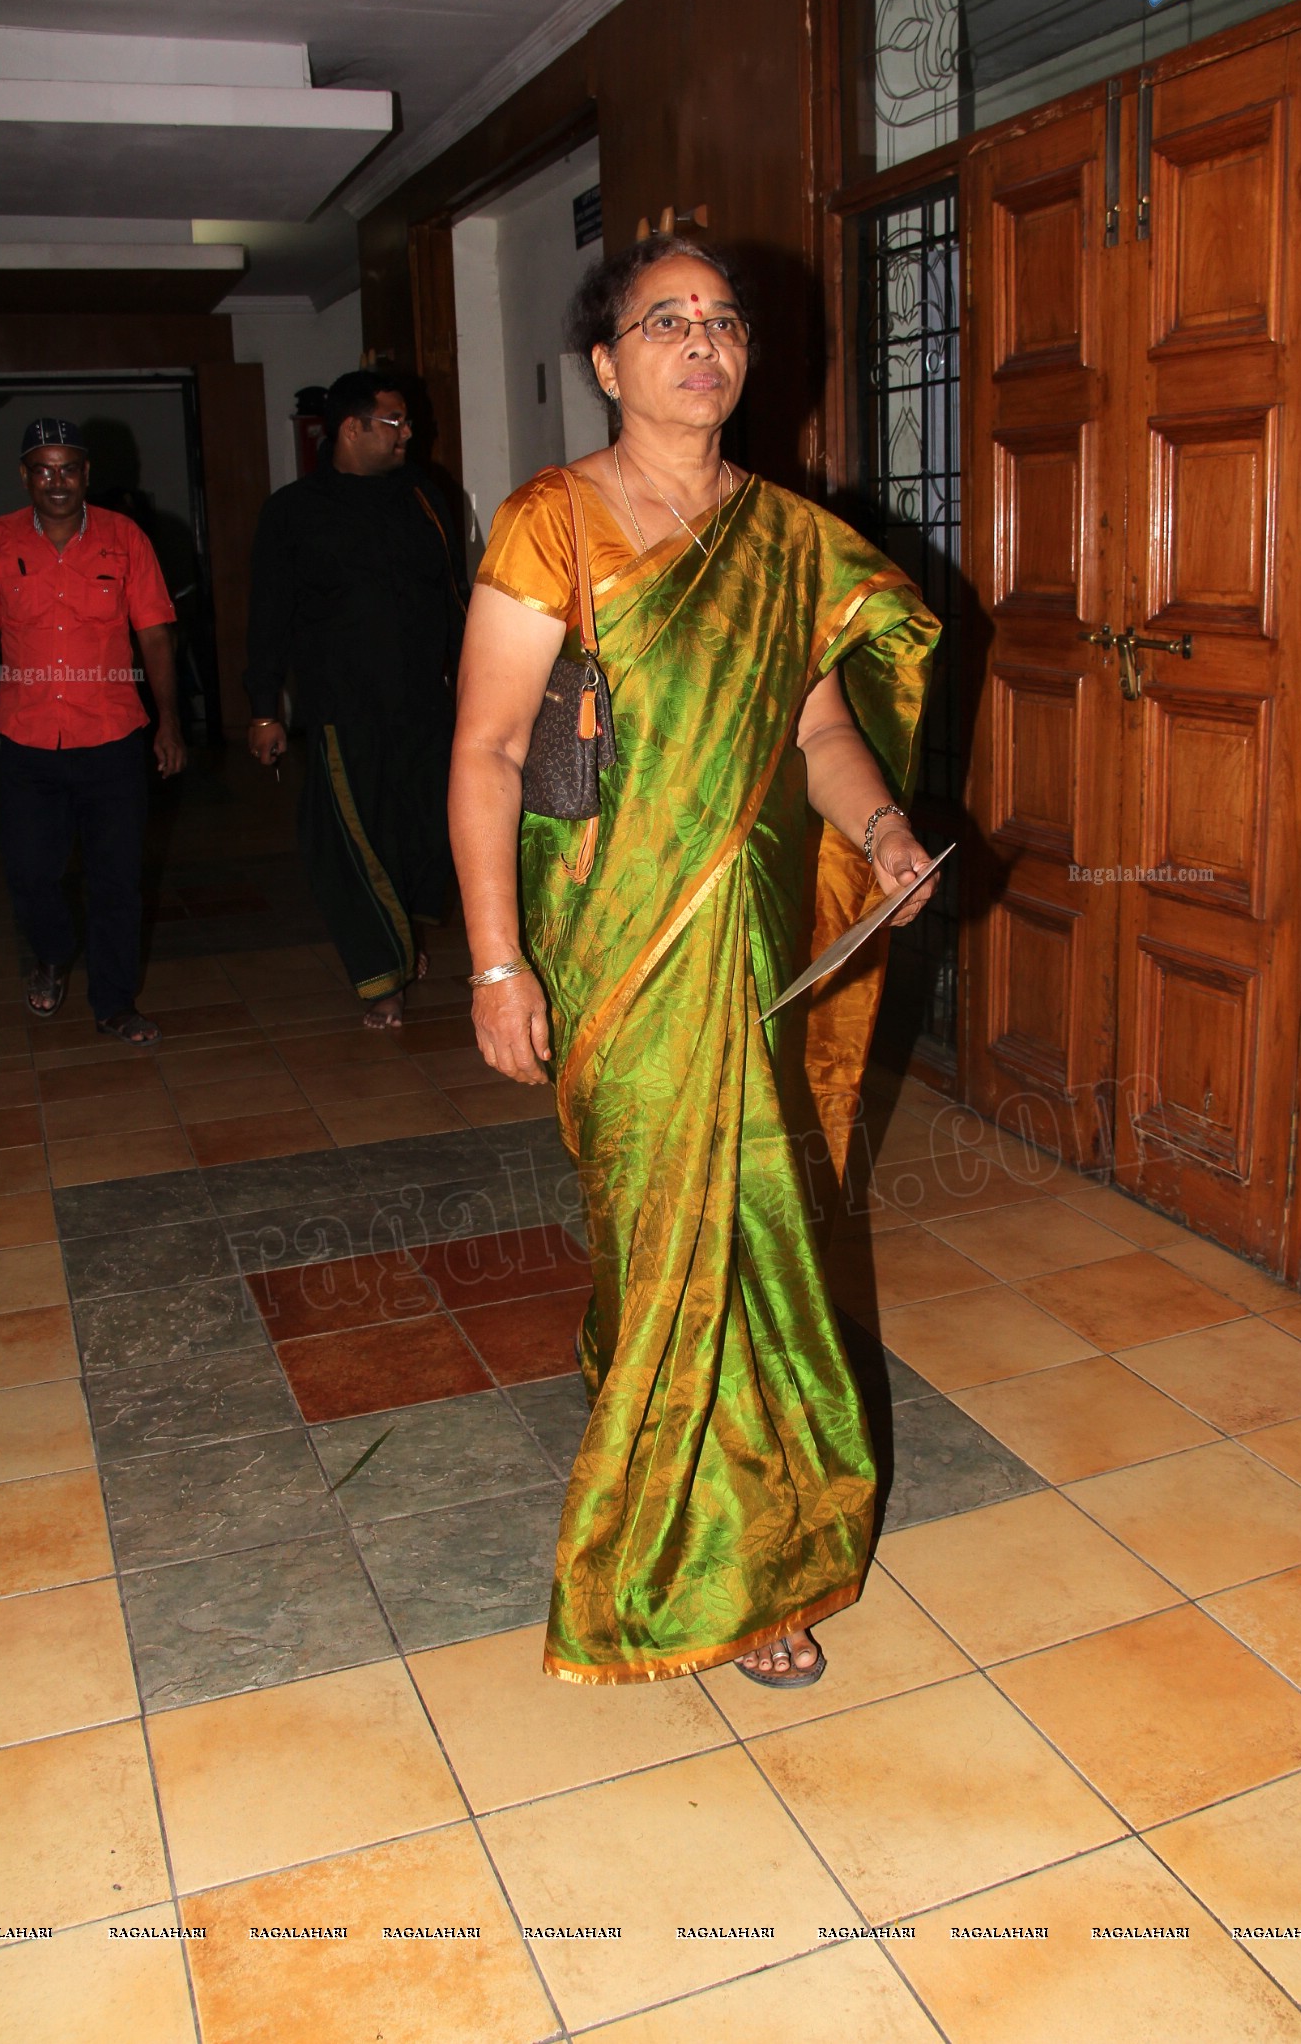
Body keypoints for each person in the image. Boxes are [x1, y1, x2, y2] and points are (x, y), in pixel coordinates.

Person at [448, 237, 940, 1688]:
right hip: (618, 945)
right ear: (606, 362)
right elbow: (483, 749)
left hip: (755, 944)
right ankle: (682, 1497)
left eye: (722, 320)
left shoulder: (790, 541)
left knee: (754, 1235)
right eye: (666, 320)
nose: (702, 340)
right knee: (667, 1226)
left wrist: (889, 829)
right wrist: (494, 965)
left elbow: (820, 731)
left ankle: (747, 1567)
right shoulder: (555, 525)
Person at [244, 371, 466, 1027]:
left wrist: (478, 682)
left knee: (422, 830)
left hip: (426, 704)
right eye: (395, 422)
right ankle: (381, 979)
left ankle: (401, 936)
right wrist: (263, 709)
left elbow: (451, 599)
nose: (409, 435)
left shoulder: (425, 495)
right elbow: (268, 617)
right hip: (344, 709)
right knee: (350, 838)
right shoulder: (293, 511)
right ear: (352, 428)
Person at [0, 416, 186, 1045]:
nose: (56, 481)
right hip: (25, 736)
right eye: (43, 469)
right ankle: (51, 952)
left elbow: (154, 632)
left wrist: (170, 722)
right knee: (29, 871)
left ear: (86, 474)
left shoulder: (125, 539)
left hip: (112, 738)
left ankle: (114, 1002)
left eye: (67, 468)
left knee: (116, 879)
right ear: (25, 476)